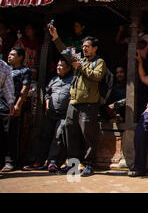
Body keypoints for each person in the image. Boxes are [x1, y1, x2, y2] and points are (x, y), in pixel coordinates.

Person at [48, 25, 106, 177]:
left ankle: (89, 164)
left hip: (89, 104)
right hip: (73, 103)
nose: (85, 49)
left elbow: (97, 76)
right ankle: (72, 163)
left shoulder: (99, 62)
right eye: (83, 46)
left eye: (87, 46)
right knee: (70, 131)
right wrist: (55, 37)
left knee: (88, 134)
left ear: (95, 48)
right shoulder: (78, 58)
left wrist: (81, 67)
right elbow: (65, 51)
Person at [23, 59, 73, 172]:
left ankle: (52, 162)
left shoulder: (73, 80)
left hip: (64, 115)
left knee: (58, 136)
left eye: (62, 66)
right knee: (44, 136)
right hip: (50, 114)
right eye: (58, 65)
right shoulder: (53, 80)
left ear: (68, 68)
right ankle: (39, 161)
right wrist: (47, 104)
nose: (58, 67)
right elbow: (47, 94)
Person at [0, 47, 31, 172]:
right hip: (0, 105)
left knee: (11, 134)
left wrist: (18, 105)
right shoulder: (5, 68)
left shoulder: (24, 71)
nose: (9, 56)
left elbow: (25, 89)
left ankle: (11, 161)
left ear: (20, 57)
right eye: (9, 54)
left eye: (13, 55)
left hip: (11, 106)